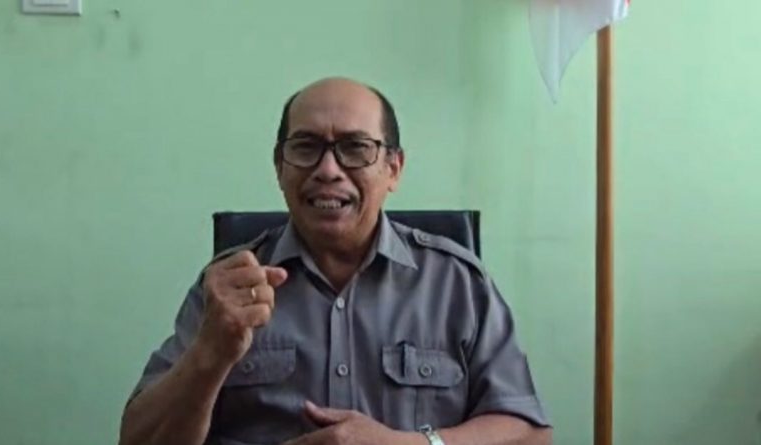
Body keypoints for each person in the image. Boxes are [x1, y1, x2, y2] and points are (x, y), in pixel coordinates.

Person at [119, 78, 552, 445]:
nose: (328, 169)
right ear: (279, 167)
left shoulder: (457, 283)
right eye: (306, 147)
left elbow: (531, 434)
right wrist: (209, 355)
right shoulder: (229, 288)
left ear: (393, 169)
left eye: (355, 147)